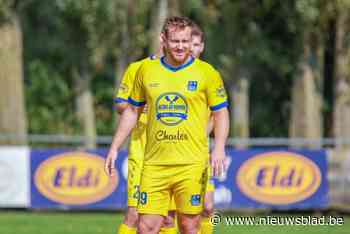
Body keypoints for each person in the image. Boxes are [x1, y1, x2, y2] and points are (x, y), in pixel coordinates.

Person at [105, 16, 229, 234]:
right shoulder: (146, 70)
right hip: (154, 165)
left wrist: (219, 148)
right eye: (175, 41)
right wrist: (115, 146)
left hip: (191, 164)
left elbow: (221, 113)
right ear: (163, 39)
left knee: (190, 226)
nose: (181, 46)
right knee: (145, 227)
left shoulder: (207, 73)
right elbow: (132, 111)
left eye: (185, 41)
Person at [113, 55, 176, 233]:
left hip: (172, 156)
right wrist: (140, 105)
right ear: (162, 38)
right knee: (134, 214)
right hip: (142, 154)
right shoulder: (138, 68)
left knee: (169, 219)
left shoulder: (185, 73)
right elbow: (120, 105)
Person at [190, 24, 215, 234]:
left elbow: (218, 112)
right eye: (190, 44)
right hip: (172, 151)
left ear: (202, 47)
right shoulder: (172, 73)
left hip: (200, 151)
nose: (192, 48)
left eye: (196, 44)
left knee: (207, 207)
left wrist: (201, 135)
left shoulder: (208, 74)